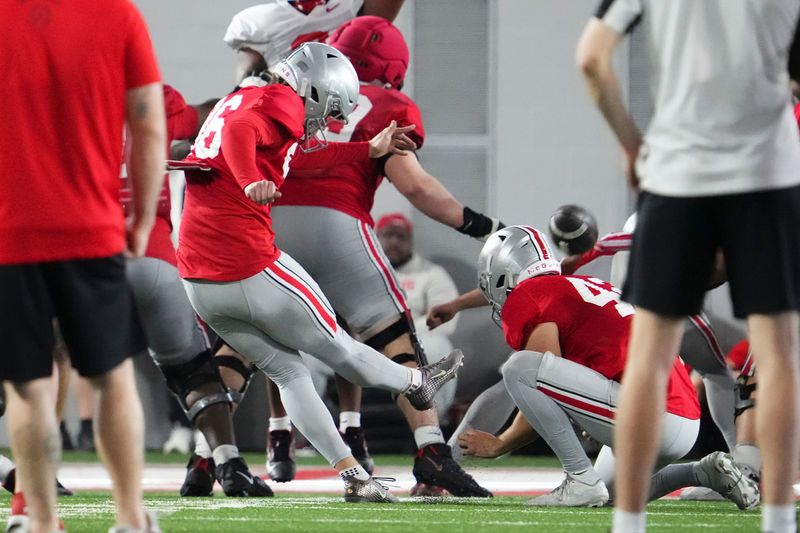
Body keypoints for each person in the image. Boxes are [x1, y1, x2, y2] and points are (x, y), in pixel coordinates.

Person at [177, 42, 462, 502]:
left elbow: (295, 160)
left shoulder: (247, 96)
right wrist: (250, 178)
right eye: (327, 112)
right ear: (311, 91)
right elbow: (242, 132)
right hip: (247, 265)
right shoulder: (274, 104)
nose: (323, 125)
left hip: (200, 280)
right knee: (339, 346)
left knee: (290, 373)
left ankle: (353, 476)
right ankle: (417, 382)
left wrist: (365, 150)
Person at [576, 2, 800, 531]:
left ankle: (629, 522)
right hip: (767, 175)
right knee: (780, 359)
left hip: (678, 173)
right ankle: (779, 521)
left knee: (649, 363)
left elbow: (591, 59)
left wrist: (630, 144)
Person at [262, 17, 497, 497]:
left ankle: (241, 446)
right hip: (338, 225)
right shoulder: (387, 106)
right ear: (393, 67)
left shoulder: (288, 92)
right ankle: (431, 453)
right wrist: (481, 226)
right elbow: (417, 187)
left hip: (270, 224)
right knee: (396, 342)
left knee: (268, 345)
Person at [0, 0, 165, 531]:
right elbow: (148, 126)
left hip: (7, 233)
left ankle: (43, 522)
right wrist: (140, 219)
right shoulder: (117, 15)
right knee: (111, 376)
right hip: (90, 230)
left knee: (27, 385)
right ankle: (129, 517)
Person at [451, 226, 758, 510]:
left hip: (650, 413)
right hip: (685, 420)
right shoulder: (584, 286)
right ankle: (702, 472)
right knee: (610, 496)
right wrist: (588, 408)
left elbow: (538, 376)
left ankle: (579, 478)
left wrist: (501, 444)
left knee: (520, 367)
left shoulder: (529, 295)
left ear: (502, 274)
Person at [123, 84, 274, 498]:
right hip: (154, 257)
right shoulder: (153, 100)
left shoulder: (46, 109)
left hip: (81, 256)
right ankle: (228, 462)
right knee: (194, 371)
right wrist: (248, 92)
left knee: (35, 375)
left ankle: (26, 481)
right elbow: (210, 114)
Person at [376, 212, 460, 421]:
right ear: (376, 237)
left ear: (410, 241)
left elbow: (446, 323)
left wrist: (398, 333)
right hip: (367, 341)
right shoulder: (362, 271)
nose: (394, 241)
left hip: (413, 343)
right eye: (388, 235)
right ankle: (304, 436)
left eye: (401, 236)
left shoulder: (432, 273)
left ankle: (433, 426)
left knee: (440, 347)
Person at [224, 0, 406, 82]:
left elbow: (375, 25)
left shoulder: (351, 5)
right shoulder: (257, 21)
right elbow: (244, 90)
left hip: (349, 104)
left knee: (398, 140)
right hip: (293, 110)